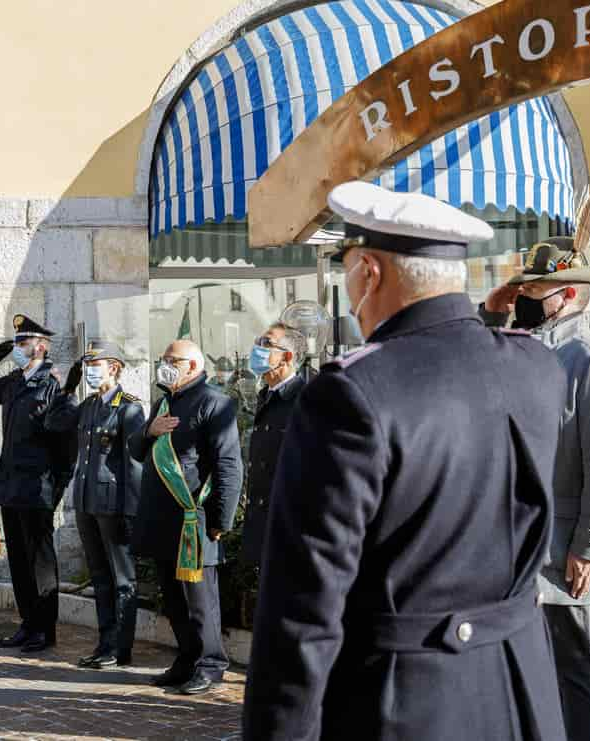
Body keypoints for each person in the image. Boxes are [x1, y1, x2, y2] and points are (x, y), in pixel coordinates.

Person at [242, 182, 569, 741]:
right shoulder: (537, 365)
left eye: (347, 271)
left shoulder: (353, 392)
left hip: (404, 700)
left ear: (369, 272)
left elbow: (304, 609)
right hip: (524, 689)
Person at [480, 237, 590, 741]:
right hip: (512, 547)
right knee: (521, 675)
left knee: (572, 675)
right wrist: (490, 315)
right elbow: (470, 376)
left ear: (566, 294)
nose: (525, 296)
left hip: (563, 552)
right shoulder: (515, 348)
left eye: (536, 288)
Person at [130, 339, 242, 695]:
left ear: (192, 366)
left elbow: (228, 466)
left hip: (195, 521)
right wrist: (150, 431)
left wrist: (220, 522)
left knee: (199, 599)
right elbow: (135, 451)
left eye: (171, 360)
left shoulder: (215, 402)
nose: (164, 364)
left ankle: (210, 664)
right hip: (162, 521)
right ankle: (187, 658)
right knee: (173, 598)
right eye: (162, 358)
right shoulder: (164, 402)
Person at [0, 314, 75, 653]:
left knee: (40, 562)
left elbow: (65, 446)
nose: (18, 347)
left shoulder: (53, 384)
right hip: (12, 484)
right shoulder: (15, 382)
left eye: (23, 342)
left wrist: (56, 488)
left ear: (41, 346)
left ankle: (45, 630)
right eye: (16, 342)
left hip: (39, 487)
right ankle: (27, 624)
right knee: (18, 560)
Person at [44, 341, 146, 668]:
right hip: (87, 501)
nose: (89, 369)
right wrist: (68, 387)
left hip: (115, 505)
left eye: (95, 364)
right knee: (101, 577)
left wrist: (132, 510)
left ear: (113, 367)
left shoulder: (129, 408)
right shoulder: (88, 405)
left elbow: (133, 465)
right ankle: (105, 643)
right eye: (86, 364)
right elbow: (53, 423)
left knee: (122, 578)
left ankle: (121, 647)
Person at [239, 323, 307, 565]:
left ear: (287, 356)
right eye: (258, 342)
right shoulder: (266, 396)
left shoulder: (305, 399)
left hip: (290, 527)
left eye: (266, 343)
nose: (257, 348)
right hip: (264, 522)